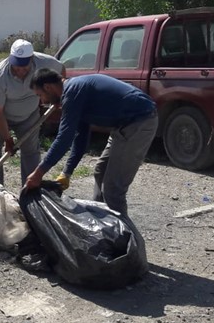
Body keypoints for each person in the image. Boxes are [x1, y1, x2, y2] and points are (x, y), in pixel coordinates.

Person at [24, 69, 157, 217]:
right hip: (124, 125)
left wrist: (38, 173)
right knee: (101, 172)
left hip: (139, 122)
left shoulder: (73, 91)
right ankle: (101, 223)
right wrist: (66, 172)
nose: (43, 101)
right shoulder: (75, 92)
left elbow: (64, 138)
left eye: (40, 95)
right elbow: (80, 137)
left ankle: (124, 236)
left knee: (113, 189)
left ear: (48, 87)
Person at [0, 39, 64, 186]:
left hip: (28, 116)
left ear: (32, 59)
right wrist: (7, 139)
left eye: (24, 67)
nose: (19, 70)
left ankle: (29, 192)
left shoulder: (45, 63)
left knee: (31, 153)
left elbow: (61, 72)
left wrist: (56, 97)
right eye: (16, 66)